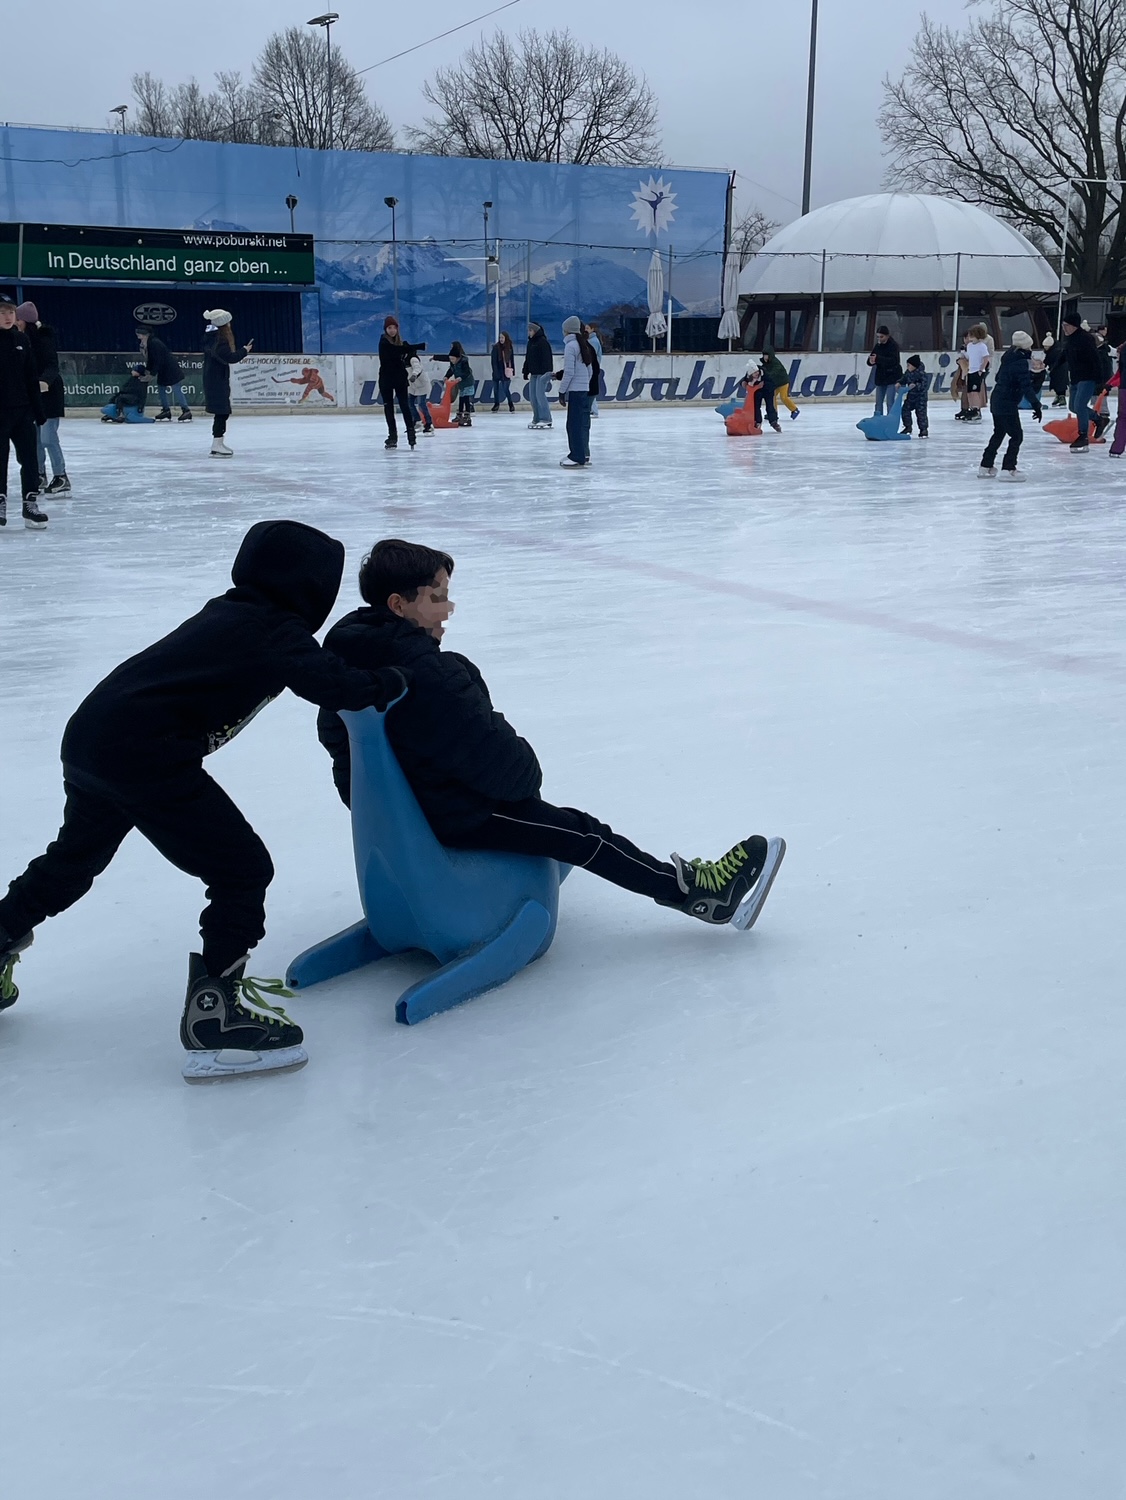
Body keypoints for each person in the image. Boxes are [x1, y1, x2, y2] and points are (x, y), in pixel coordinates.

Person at [0, 520, 406, 1080]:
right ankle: (215, 1018)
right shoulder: (274, 630)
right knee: (242, 869)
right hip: (143, 753)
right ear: (310, 585)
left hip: (95, 737)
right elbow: (337, 686)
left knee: (72, 859)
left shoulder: (236, 612)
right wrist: (398, 679)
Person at [317, 539, 786, 931]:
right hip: (452, 815)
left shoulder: (344, 661)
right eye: (437, 597)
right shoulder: (432, 674)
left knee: (556, 824)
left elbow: (341, 751)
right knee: (584, 833)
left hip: (401, 816)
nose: (449, 608)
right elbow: (516, 777)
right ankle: (698, 896)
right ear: (398, 605)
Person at [0, 294, 48, 530]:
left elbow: (31, 377)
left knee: (30, 459)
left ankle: (30, 504)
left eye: (10, 312)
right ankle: (0, 502)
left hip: (22, 412)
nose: (8, 317)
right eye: (2, 313)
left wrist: (38, 412)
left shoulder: (21, 340)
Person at [16, 301, 69, 495]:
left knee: (48, 438)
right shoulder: (20, 339)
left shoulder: (43, 338)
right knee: (36, 439)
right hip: (33, 395)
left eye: (18, 319)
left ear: (25, 321)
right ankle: (39, 474)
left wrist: (44, 381)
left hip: (49, 394)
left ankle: (61, 477)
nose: (15, 322)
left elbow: (52, 365)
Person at [976, 331, 1041, 481]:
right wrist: (1036, 404)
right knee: (1016, 435)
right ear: (1025, 347)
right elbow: (1026, 386)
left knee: (999, 433)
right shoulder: (1021, 362)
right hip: (1007, 403)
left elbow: (1000, 377)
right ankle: (1008, 468)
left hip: (997, 399)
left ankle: (985, 466)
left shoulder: (1009, 358)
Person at [202, 309, 251, 458]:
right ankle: (216, 444)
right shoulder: (220, 341)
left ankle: (218, 442)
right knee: (222, 411)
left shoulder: (210, 337)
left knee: (221, 411)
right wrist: (244, 350)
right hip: (217, 380)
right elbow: (230, 357)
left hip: (213, 378)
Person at [556, 315, 599, 467]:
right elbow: (590, 369)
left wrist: (562, 392)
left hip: (576, 390)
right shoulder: (582, 345)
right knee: (578, 424)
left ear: (567, 330)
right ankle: (578, 453)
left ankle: (577, 456)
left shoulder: (571, 346)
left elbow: (569, 372)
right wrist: (585, 384)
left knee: (573, 425)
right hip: (582, 389)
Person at [1061, 311, 1101, 453]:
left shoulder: (1086, 339)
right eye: (1063, 325)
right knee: (1073, 407)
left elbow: (1095, 358)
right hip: (1076, 378)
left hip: (1088, 377)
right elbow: (1064, 355)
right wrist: (1050, 366)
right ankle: (1098, 419)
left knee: (1080, 405)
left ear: (1074, 326)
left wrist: (1099, 380)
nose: (1064, 328)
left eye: (1066, 325)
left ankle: (1083, 435)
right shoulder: (1069, 340)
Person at [377, 315, 418, 450]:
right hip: (386, 380)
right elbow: (393, 354)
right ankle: (392, 436)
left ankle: (411, 435)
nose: (392, 330)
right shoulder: (383, 342)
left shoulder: (401, 343)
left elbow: (405, 354)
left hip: (400, 379)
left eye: (394, 328)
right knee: (389, 408)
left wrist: (408, 351)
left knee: (405, 406)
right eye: (389, 328)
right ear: (385, 329)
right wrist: (409, 349)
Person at [138, 327, 191, 422]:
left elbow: (157, 359)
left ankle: (186, 410)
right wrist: (148, 370)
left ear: (145, 335)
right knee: (161, 388)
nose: (139, 337)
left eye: (140, 335)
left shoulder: (154, 343)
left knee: (176, 388)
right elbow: (151, 360)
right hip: (164, 369)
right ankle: (166, 409)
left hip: (170, 369)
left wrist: (151, 374)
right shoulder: (150, 343)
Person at [523, 321, 554, 430]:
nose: (529, 332)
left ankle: (546, 418)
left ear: (535, 331)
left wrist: (547, 373)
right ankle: (536, 418)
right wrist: (525, 371)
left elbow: (547, 359)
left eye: (530, 330)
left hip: (542, 373)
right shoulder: (530, 342)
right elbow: (528, 358)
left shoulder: (543, 342)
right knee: (533, 397)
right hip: (534, 373)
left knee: (540, 396)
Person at [867, 325, 903, 416]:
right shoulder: (878, 346)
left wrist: (878, 359)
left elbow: (894, 361)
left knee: (890, 402)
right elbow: (872, 358)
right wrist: (871, 361)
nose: (879, 338)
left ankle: (890, 421)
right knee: (878, 403)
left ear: (887, 336)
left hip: (892, 377)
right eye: (878, 337)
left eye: (881, 336)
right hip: (881, 378)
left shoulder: (893, 346)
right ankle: (878, 421)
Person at [440, 342, 476, 427]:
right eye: (450, 359)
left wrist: (461, 377)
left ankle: (467, 417)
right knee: (461, 399)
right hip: (460, 383)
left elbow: (467, 372)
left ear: (457, 358)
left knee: (465, 399)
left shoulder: (464, 361)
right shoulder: (453, 362)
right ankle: (459, 415)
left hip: (467, 382)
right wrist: (446, 376)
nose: (451, 361)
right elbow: (451, 370)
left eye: (453, 359)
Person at [963, 323, 991, 423]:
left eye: (972, 335)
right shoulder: (970, 346)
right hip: (971, 370)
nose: (970, 337)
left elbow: (986, 358)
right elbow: (969, 356)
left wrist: (981, 369)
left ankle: (977, 410)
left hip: (978, 371)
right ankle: (972, 408)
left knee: (975, 392)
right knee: (970, 392)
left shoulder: (982, 346)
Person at [899, 355, 929, 436]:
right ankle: (908, 427)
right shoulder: (908, 373)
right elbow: (904, 379)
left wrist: (916, 385)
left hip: (920, 398)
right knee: (905, 410)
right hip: (911, 397)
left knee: (921, 414)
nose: (907, 367)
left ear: (914, 366)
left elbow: (924, 385)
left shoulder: (922, 374)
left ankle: (923, 430)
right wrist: (899, 382)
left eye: (909, 365)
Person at [490, 331, 516, 413]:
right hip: (497, 371)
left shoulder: (509, 347)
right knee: (496, 389)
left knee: (505, 389)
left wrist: (513, 370)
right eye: (500, 338)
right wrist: (495, 372)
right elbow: (493, 361)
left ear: (506, 338)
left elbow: (512, 360)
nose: (501, 339)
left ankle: (511, 404)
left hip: (506, 371)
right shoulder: (495, 347)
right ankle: (496, 404)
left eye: (502, 337)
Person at [406, 352, 433, 434]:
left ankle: (429, 424)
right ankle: (417, 421)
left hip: (422, 386)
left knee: (421, 404)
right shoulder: (401, 360)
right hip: (412, 386)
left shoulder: (413, 358)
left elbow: (417, 367)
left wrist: (414, 375)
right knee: (409, 403)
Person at [1108, 338, 1126, 458]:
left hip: (1124, 387)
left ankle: (1117, 448)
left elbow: (1121, 370)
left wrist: (1110, 383)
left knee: (1123, 417)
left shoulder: (1123, 348)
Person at [583, 322, 604, 417]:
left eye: (587, 328)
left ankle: (593, 410)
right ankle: (592, 409)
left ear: (592, 329)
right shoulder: (589, 340)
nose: (585, 330)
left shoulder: (593, 341)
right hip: (591, 367)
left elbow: (592, 356)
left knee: (591, 389)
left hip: (592, 368)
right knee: (590, 389)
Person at [1043, 330, 1068, 406]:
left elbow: (1049, 360)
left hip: (1060, 370)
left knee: (1060, 384)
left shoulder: (1056, 351)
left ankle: (1061, 397)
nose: (1045, 348)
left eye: (1046, 346)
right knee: (1057, 384)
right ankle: (1058, 396)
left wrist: (1045, 364)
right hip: (1055, 370)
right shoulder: (1053, 351)